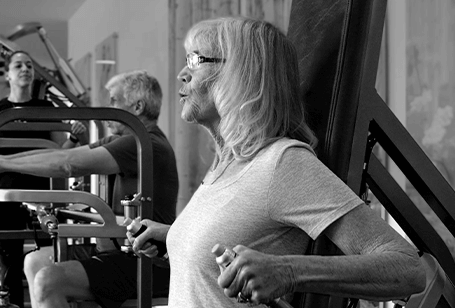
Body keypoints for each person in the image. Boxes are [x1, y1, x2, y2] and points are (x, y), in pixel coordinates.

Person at [127, 17, 426, 307]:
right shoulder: (226, 165)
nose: (182, 73)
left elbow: (408, 269)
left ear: (242, 73)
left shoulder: (282, 163)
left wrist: (289, 271)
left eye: (195, 60)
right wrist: (175, 238)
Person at [0, 70, 179, 308]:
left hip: (146, 260)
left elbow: (67, 166)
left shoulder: (146, 144)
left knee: (47, 281)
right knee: (34, 261)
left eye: (114, 101)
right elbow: (64, 154)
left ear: (137, 107)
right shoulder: (126, 140)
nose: (108, 109)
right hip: (117, 249)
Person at [0, 50, 87, 307]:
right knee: (8, 258)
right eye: (18, 65)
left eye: (29, 65)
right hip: (5, 191)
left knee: (50, 253)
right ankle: (13, 303)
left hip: (41, 191)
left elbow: (61, 153)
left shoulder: (46, 108)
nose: (25, 69)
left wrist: (73, 136)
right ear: (8, 74)